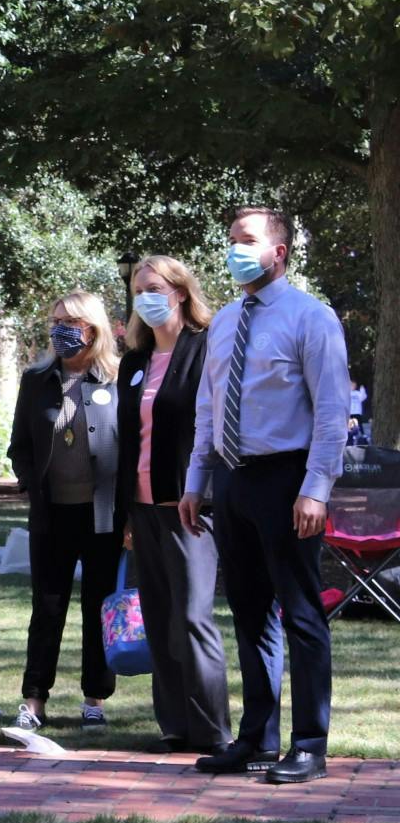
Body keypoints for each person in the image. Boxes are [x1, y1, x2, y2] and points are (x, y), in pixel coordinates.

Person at [182, 206, 350, 785]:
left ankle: (309, 744)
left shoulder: (312, 317)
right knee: (250, 614)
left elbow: (332, 414)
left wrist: (316, 489)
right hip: (231, 480)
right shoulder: (225, 321)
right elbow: (209, 408)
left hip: (287, 480)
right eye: (231, 240)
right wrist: (195, 481)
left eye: (247, 240)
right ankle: (256, 738)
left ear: (278, 252)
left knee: (301, 613)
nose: (235, 249)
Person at [119, 255, 231, 755]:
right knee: (158, 616)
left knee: (191, 617)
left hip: (190, 506)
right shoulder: (134, 361)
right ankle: (175, 726)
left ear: (180, 292)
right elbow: (129, 439)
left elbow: (215, 427)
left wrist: (202, 489)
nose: (144, 295)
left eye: (154, 287)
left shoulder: (205, 348)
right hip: (141, 506)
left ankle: (214, 732)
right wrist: (126, 511)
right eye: (137, 288)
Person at [10, 292, 125, 732]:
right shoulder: (35, 380)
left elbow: (130, 448)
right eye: (55, 320)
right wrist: (29, 480)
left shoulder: (117, 379)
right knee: (47, 609)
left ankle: (95, 699)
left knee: (99, 608)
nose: (60, 329)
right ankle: (34, 700)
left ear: (92, 329)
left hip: (102, 517)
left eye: (70, 322)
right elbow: (19, 445)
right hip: (52, 515)